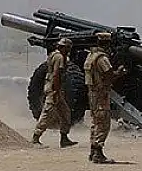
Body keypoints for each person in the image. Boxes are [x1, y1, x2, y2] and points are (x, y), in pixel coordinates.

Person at [83, 32, 126, 163]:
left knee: (95, 122)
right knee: (103, 123)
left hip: (92, 93)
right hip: (101, 93)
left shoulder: (90, 56)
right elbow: (109, 75)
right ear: (107, 43)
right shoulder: (102, 58)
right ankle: (98, 153)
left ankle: (93, 151)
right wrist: (119, 72)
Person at [30, 37, 78, 148]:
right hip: (53, 88)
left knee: (65, 113)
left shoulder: (54, 55)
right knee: (47, 113)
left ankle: (64, 138)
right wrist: (56, 91)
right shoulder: (59, 57)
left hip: (55, 88)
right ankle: (35, 137)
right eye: (67, 48)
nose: (69, 50)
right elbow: (56, 74)